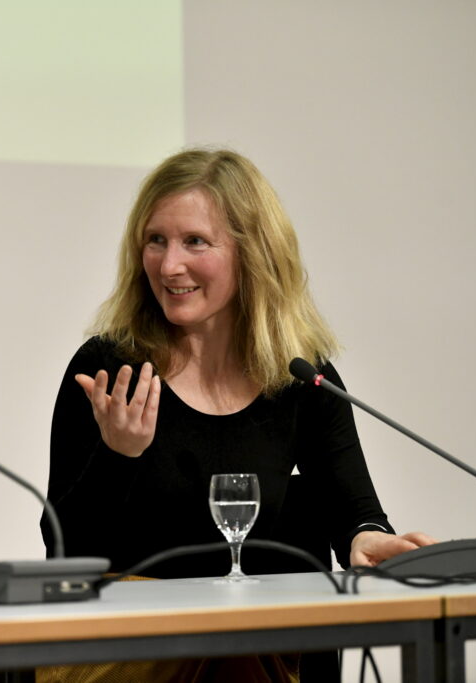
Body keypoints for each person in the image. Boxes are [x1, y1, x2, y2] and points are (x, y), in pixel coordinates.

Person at [41, 148, 433, 681]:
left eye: (194, 242)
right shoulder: (112, 368)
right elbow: (65, 553)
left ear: (254, 253)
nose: (168, 264)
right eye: (155, 240)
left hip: (246, 641)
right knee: (233, 650)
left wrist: (368, 538)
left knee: (238, 646)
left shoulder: (299, 378)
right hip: (117, 640)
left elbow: (354, 514)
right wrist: (118, 456)